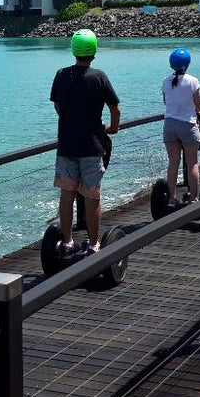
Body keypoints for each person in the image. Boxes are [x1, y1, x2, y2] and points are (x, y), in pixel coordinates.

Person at [49, 29, 120, 256]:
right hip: (91, 146)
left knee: (67, 195)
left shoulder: (61, 74)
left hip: (67, 145)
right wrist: (113, 127)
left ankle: (68, 241)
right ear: (94, 51)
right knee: (92, 196)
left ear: (73, 49)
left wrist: (69, 119)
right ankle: (93, 244)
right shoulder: (99, 76)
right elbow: (114, 107)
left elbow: (57, 105)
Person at [162, 47, 200, 202]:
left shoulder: (166, 81)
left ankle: (171, 198)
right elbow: (198, 104)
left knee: (173, 163)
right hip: (187, 125)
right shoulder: (192, 81)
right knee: (192, 164)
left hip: (169, 125)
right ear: (187, 63)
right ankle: (194, 198)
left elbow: (166, 102)